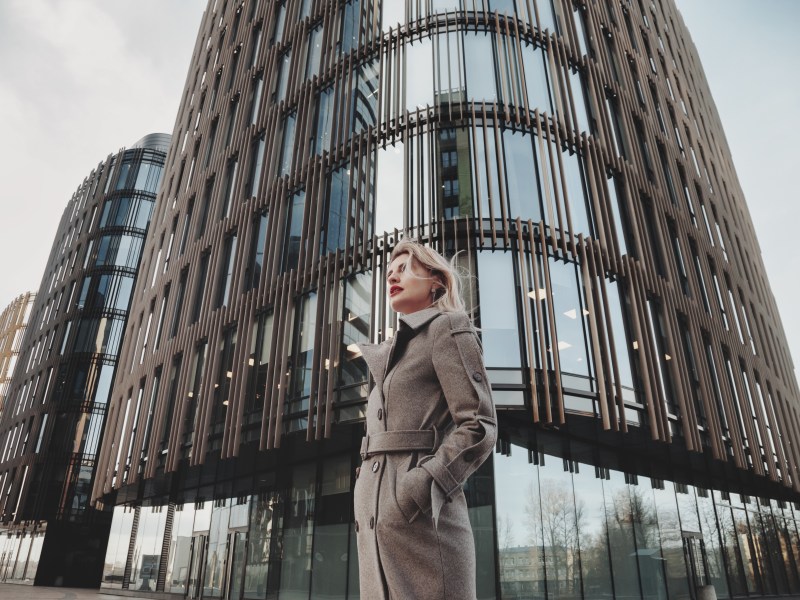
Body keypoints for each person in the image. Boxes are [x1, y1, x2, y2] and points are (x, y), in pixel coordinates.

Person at [354, 239, 497, 599]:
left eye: (403, 269)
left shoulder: (447, 327)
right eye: (389, 273)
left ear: (435, 279)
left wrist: (419, 486)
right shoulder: (392, 355)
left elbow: (478, 424)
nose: (392, 277)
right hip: (377, 529)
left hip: (424, 523)